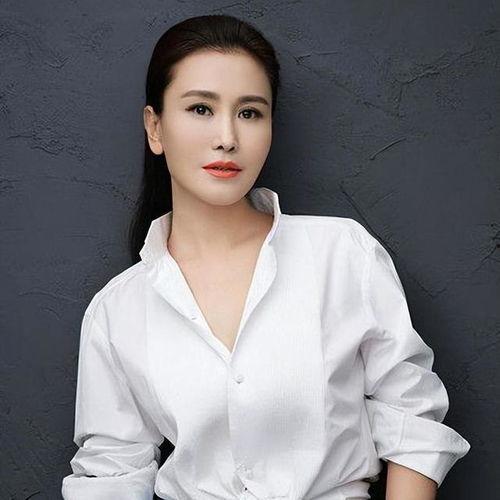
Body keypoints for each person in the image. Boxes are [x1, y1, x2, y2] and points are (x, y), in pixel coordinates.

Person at [61, 14, 470, 500]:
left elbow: (413, 420)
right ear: (156, 128)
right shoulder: (118, 310)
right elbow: (110, 476)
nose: (227, 137)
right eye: (200, 108)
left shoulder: (341, 255)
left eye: (250, 113)